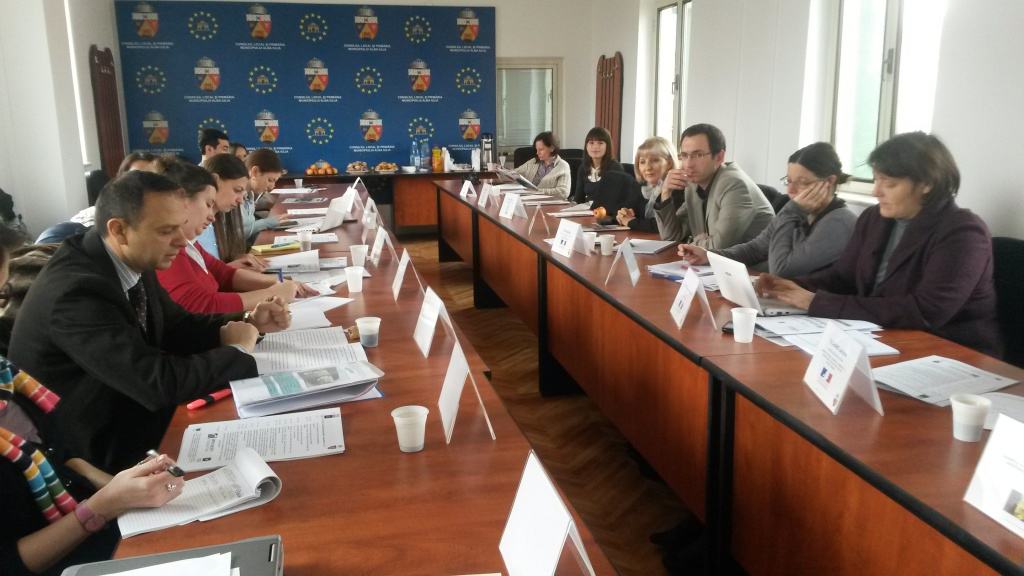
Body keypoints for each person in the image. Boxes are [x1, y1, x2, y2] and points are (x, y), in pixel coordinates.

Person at [8, 171, 291, 472]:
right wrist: (237, 351)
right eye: (167, 230)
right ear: (119, 230)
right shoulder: (76, 292)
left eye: (181, 227)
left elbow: (177, 326)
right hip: (93, 454)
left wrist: (248, 321)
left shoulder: (129, 256)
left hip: (133, 415)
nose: (182, 241)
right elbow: (156, 384)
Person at [0, 224, 183, 576]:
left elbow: (61, 454)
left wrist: (123, 485)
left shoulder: (7, 376)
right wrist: (103, 505)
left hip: (88, 522)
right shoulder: (77, 289)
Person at [759, 132, 1001, 357]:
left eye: (889, 184)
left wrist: (814, 301)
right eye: (876, 180)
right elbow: (843, 278)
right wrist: (791, 287)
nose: (876, 192)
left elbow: (925, 311)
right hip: (882, 336)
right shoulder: (875, 218)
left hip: (950, 351)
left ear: (927, 184)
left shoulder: (963, 233)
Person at [676, 142, 857, 276]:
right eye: (789, 181)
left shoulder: (838, 222)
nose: (791, 191)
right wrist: (708, 256)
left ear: (829, 182)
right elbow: (755, 249)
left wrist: (791, 211)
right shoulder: (800, 211)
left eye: (803, 183)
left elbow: (782, 270)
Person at [157, 161, 314, 313]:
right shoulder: (169, 251)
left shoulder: (191, 244)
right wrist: (271, 293)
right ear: (182, 201)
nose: (212, 217)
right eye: (208, 205)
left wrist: (279, 282)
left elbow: (224, 274)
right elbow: (200, 305)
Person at [654, 123, 773, 248]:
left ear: (719, 157)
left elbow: (719, 246)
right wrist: (665, 192)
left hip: (756, 260)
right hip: (716, 259)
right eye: (684, 155)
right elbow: (671, 237)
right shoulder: (693, 185)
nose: (688, 164)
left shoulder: (734, 184)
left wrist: (690, 242)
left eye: (698, 155)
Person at [199, 154, 266, 270]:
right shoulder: (195, 226)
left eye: (242, 193)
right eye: (237, 190)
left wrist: (237, 259)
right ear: (215, 181)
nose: (240, 200)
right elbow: (198, 276)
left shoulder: (220, 221)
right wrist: (229, 268)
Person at [617, 137, 676, 233]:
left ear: (669, 163)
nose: (647, 167)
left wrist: (632, 222)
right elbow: (628, 214)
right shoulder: (641, 187)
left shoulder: (676, 188)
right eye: (642, 162)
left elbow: (662, 226)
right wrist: (622, 215)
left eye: (655, 160)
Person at [571, 127, 624, 204]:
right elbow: (578, 199)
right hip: (586, 210)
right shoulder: (583, 168)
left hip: (608, 210)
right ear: (586, 146)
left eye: (600, 143)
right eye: (591, 143)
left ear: (607, 146)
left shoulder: (615, 168)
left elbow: (615, 199)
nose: (595, 147)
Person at [513, 131, 572, 200]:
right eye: (536, 149)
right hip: (529, 201)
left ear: (552, 148)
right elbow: (514, 173)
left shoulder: (563, 166)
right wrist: (504, 172)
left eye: (541, 149)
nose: (537, 153)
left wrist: (536, 191)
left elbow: (563, 192)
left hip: (550, 203)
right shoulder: (533, 162)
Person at [241, 149, 283, 246]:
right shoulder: (236, 198)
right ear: (255, 172)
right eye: (270, 180)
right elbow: (235, 235)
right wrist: (266, 223)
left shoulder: (250, 195)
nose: (272, 187)